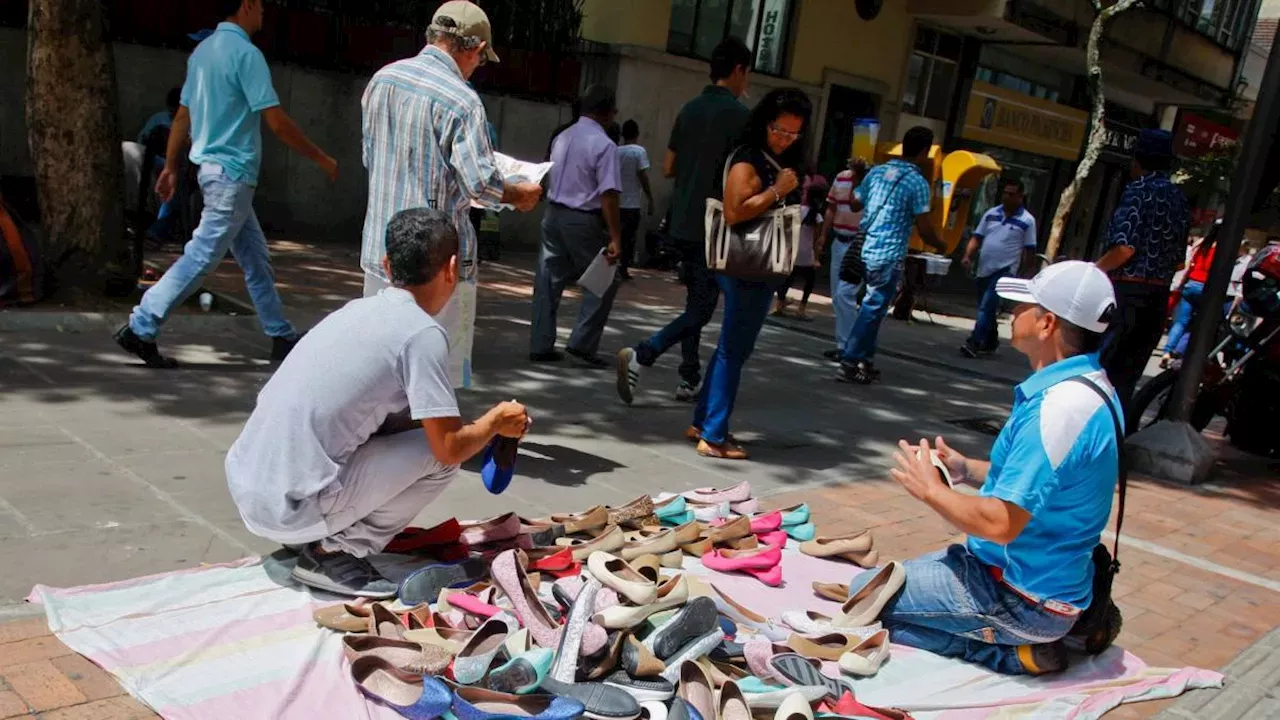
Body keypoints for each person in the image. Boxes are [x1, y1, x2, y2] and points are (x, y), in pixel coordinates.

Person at [226, 208, 530, 598]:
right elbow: (448, 446)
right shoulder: (421, 333)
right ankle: (336, 551)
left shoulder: (357, 311)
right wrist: (493, 423)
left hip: (252, 492)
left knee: (423, 437)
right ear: (452, 268)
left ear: (387, 265)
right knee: (441, 459)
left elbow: (392, 422)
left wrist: (476, 429)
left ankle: (320, 537)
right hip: (290, 510)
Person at [850, 261, 1121, 676]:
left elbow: (1000, 523)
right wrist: (967, 469)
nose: (1011, 312)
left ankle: (1011, 653)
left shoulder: (1059, 409)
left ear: (1047, 324)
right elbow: (1041, 479)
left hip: (1020, 597)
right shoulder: (1092, 388)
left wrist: (933, 491)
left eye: (1022, 306)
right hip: (1042, 584)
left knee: (862, 600)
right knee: (879, 583)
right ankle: (1017, 637)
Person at [115, 0, 338, 369]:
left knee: (255, 258)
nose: (265, 13)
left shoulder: (203, 53)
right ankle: (141, 327)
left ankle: (280, 335)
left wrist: (171, 167)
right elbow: (277, 121)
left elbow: (183, 116)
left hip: (213, 174)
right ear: (247, 5)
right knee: (202, 255)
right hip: (232, 177)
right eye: (262, 6)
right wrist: (321, 158)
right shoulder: (247, 55)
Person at [360, 0, 543, 388]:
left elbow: (370, 157)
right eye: (481, 59)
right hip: (434, 262)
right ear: (473, 49)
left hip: (381, 249)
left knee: (378, 365)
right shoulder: (462, 100)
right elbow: (482, 186)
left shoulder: (383, 79)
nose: (478, 67)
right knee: (430, 372)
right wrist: (517, 194)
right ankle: (426, 444)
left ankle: (378, 436)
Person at [614, 38, 753, 405]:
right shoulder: (742, 117)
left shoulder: (689, 109)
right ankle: (644, 352)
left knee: (695, 303)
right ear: (739, 70)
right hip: (718, 226)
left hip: (684, 221)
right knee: (703, 309)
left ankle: (688, 377)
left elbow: (669, 166)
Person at [689, 88, 810, 460]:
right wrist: (778, 191)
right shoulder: (748, 160)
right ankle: (713, 435)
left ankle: (703, 421)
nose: (784, 139)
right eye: (779, 130)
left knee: (732, 347)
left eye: (793, 134)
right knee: (734, 349)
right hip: (749, 268)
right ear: (764, 122)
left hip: (752, 268)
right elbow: (734, 211)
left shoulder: (766, 157)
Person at [835, 126, 946, 385]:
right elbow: (925, 226)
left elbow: (854, 203)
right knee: (873, 308)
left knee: (872, 306)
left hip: (864, 248)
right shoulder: (917, 183)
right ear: (925, 151)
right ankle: (850, 360)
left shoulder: (877, 172)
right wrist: (940, 245)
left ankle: (865, 360)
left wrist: (858, 178)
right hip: (888, 252)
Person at [1096, 129, 1191, 412]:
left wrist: (1095, 270)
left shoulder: (1138, 191)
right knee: (1127, 378)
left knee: (1101, 370)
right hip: (1157, 297)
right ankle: (1115, 438)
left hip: (1127, 292)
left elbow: (1125, 248)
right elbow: (1179, 261)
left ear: (1137, 160)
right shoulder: (1179, 198)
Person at [529, 84, 623, 367]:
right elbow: (608, 195)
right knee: (604, 279)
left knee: (548, 280)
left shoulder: (563, 137)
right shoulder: (604, 145)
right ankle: (582, 343)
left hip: (553, 214)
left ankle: (541, 344)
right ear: (609, 113)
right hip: (583, 218)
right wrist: (616, 236)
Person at [960, 178, 1038, 358]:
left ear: (1020, 196)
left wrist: (1025, 273)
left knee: (986, 306)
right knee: (985, 307)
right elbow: (977, 237)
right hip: (984, 267)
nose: (1007, 197)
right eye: (1005, 193)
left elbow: (1029, 249)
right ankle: (991, 341)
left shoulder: (1027, 220)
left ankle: (975, 342)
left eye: (1012, 194)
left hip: (1005, 270)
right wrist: (967, 256)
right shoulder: (991, 214)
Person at [817, 159, 869, 359]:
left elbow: (857, 204)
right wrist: (823, 235)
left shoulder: (870, 180)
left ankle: (852, 345)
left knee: (844, 294)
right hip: (840, 239)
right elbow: (831, 207)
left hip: (858, 242)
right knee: (837, 296)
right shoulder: (840, 177)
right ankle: (843, 343)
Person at [1162, 220, 1220, 366]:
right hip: (1205, 287)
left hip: (1190, 284)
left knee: (1181, 321)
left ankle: (1167, 351)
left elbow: (1190, 266)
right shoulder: (1222, 248)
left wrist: (1182, 284)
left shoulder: (1202, 244)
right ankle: (1179, 351)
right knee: (1197, 323)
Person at [774, 183, 825, 320]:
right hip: (807, 254)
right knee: (809, 282)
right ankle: (801, 309)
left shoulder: (795, 210)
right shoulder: (817, 217)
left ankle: (779, 304)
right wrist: (816, 258)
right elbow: (817, 240)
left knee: (786, 280)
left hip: (792, 253)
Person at [617, 119, 655, 280]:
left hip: (616, 202)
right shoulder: (639, 152)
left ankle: (612, 266)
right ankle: (623, 268)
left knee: (614, 235)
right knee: (629, 238)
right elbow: (643, 176)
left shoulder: (615, 151)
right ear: (637, 134)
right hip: (631, 204)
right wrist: (650, 198)